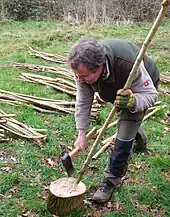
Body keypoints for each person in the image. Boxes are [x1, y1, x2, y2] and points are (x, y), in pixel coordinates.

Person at [68, 36, 160, 204]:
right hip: (115, 87)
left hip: (142, 88)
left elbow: (151, 95)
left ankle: (110, 182)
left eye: (84, 76)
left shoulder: (129, 65)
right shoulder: (83, 71)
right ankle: (139, 137)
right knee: (128, 124)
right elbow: (83, 101)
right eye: (77, 75)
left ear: (99, 67)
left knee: (123, 137)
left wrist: (133, 101)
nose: (79, 79)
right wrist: (81, 133)